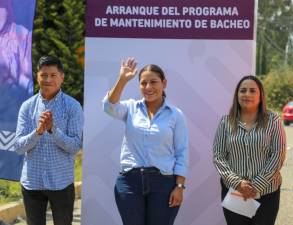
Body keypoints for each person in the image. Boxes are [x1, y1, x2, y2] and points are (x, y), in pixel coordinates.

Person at [103, 58, 189, 225]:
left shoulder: (176, 115)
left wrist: (179, 187)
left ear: (164, 83)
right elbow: (109, 107)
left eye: (153, 82)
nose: (148, 87)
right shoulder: (131, 108)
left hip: (163, 183)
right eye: (143, 83)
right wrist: (122, 80)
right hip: (129, 182)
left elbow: (182, 152)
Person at [14, 56, 84, 225]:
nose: (48, 79)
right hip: (32, 183)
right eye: (44, 75)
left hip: (61, 182)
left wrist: (53, 130)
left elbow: (75, 146)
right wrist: (38, 132)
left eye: (53, 75)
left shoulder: (73, 106)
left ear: (62, 77)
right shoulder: (27, 106)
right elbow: (18, 147)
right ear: (37, 76)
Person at [213, 75, 286, 225]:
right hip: (234, 192)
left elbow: (278, 155)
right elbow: (218, 156)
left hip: (267, 193)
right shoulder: (225, 122)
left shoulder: (273, 121)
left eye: (252, 91)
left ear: (260, 96)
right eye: (243, 90)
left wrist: (256, 185)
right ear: (237, 95)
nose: (247, 94)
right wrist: (238, 183)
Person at [0, 0, 32, 133]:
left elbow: (26, 79)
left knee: (7, 149)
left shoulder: (21, 34)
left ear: (8, 11)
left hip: (11, 105)